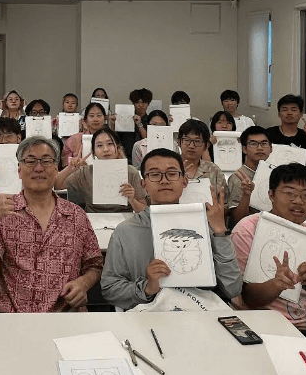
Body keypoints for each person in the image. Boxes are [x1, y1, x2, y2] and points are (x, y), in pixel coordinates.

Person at [0, 136, 103, 312]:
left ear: (56, 168)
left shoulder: (75, 215)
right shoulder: (1, 214)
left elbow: (94, 264)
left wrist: (83, 283)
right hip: (10, 321)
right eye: (30, 161)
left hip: (64, 317)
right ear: (19, 169)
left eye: (47, 161)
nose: (39, 168)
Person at [100, 148, 241, 311]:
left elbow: (233, 289)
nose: (164, 180)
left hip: (201, 314)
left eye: (172, 173)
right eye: (154, 174)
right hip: (147, 317)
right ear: (143, 184)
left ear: (185, 181)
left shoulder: (204, 225)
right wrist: (147, 288)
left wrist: (220, 233)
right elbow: (109, 289)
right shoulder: (125, 231)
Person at [231, 163, 306, 327]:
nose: (298, 201)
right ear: (271, 195)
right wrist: (275, 285)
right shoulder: (247, 231)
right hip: (268, 325)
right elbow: (247, 300)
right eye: (289, 193)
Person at [55, 127, 146, 213]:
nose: (105, 149)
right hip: (93, 220)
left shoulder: (131, 172)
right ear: (94, 153)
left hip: (124, 221)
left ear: (117, 148)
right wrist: (69, 169)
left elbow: (144, 210)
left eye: (110, 144)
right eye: (99, 145)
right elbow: (57, 185)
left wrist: (133, 200)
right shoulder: (85, 172)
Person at [264, 94, 306, 171]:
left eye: (294, 109)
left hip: (301, 178)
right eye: (284, 110)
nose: (289, 113)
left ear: (301, 114)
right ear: (279, 114)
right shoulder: (268, 134)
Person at [227, 126, 272, 225]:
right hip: (249, 230)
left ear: (271, 149)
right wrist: (246, 194)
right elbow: (237, 219)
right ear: (244, 149)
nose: (259, 148)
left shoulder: (275, 174)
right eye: (253, 144)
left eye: (264, 143)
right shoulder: (238, 178)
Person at [177, 119, 228, 204]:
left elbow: (225, 204)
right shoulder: (168, 168)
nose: (191, 146)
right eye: (187, 140)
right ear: (179, 142)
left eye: (197, 141)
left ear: (206, 146)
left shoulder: (213, 170)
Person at [61, 102, 108, 168]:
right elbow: (65, 165)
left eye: (99, 115)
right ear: (85, 120)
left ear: (105, 119)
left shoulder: (111, 138)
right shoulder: (74, 139)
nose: (95, 119)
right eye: (91, 116)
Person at [123, 88, 152, 161]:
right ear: (133, 103)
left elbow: (149, 140)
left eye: (144, 102)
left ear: (148, 104)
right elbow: (118, 138)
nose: (140, 105)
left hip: (147, 156)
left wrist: (139, 124)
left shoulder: (151, 120)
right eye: (137, 102)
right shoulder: (126, 119)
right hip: (127, 156)